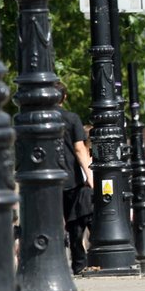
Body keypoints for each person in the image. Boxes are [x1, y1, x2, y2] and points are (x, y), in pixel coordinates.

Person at [55, 82, 94, 275]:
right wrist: (89, 175)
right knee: (75, 222)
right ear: (65, 97)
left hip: (44, 181)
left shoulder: (35, 118)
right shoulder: (71, 119)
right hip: (70, 178)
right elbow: (79, 149)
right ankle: (79, 263)